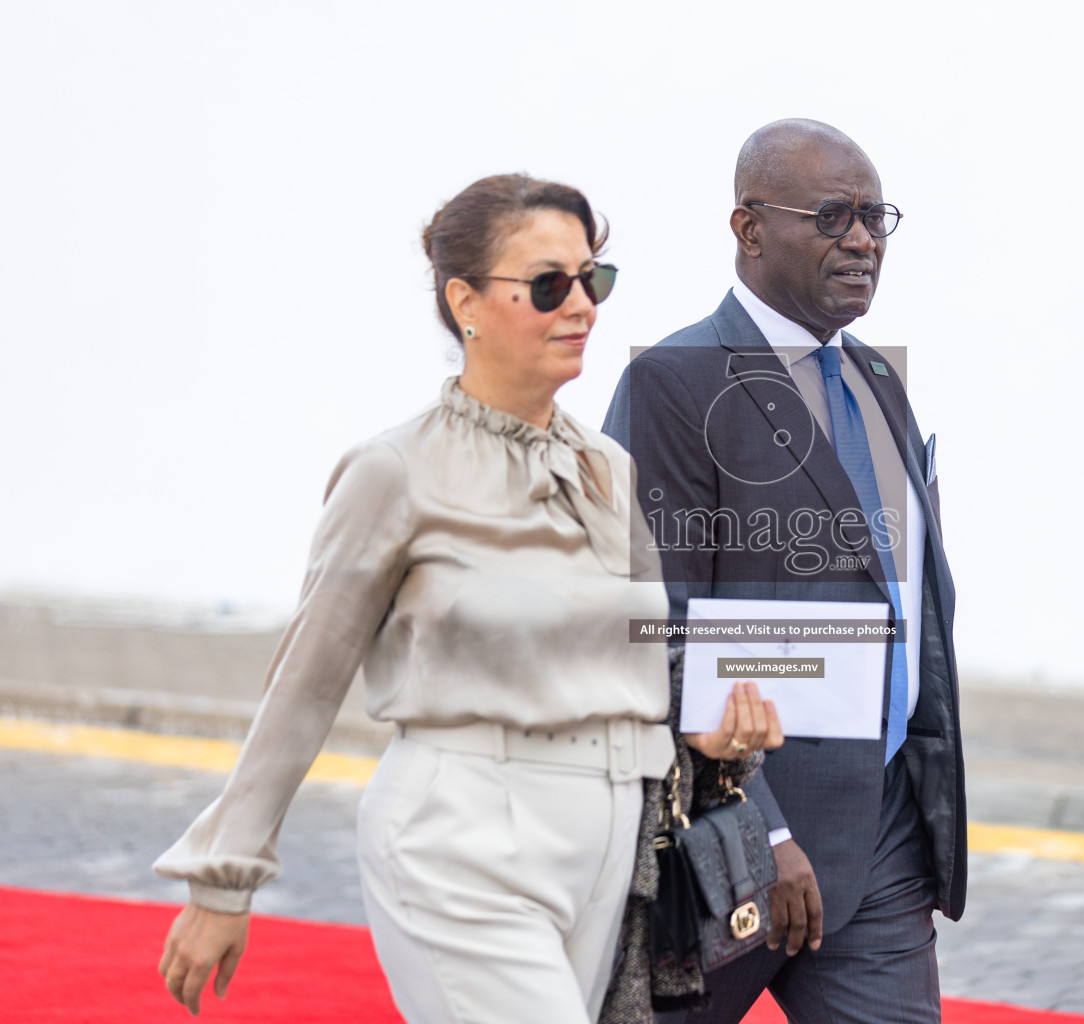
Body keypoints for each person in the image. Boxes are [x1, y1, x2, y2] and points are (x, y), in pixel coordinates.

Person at [154, 173, 783, 1024]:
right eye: (549, 285)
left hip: (604, 842)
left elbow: (638, 657)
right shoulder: (395, 471)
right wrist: (224, 879)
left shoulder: (608, 469)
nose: (583, 307)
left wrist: (705, 731)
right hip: (462, 832)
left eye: (593, 280)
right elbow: (304, 681)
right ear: (466, 303)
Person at [602, 120, 966, 1024]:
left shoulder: (878, 379)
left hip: (881, 837)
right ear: (750, 227)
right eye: (834, 215)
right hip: (729, 845)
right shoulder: (677, 385)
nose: (862, 239)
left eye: (875, 216)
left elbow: (903, 597)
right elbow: (659, 625)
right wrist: (763, 826)